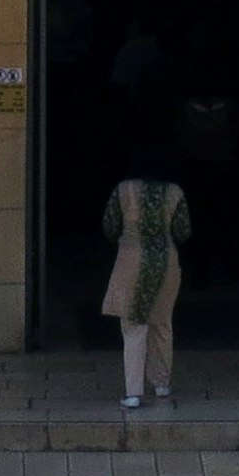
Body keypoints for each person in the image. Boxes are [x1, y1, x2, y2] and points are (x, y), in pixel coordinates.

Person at [100, 170, 190, 409]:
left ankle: (133, 392)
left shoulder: (124, 188)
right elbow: (183, 231)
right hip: (165, 260)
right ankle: (161, 383)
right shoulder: (174, 191)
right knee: (162, 322)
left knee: (133, 325)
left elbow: (109, 225)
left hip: (131, 257)